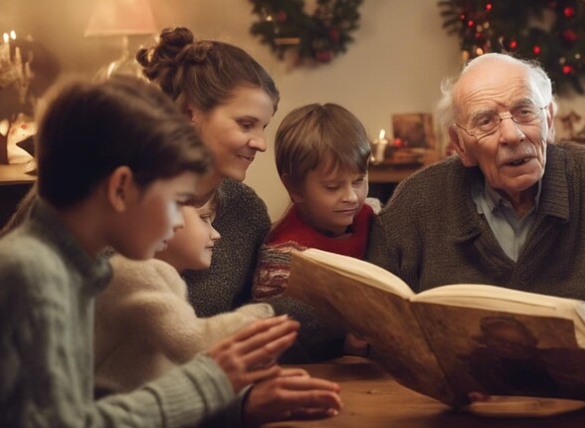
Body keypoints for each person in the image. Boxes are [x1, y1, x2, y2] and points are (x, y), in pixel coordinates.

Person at [0, 76, 339, 426]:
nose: (178, 222)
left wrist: (232, 404)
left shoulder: (71, 270)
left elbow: (91, 405)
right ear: (121, 189)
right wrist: (206, 382)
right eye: (177, 201)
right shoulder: (33, 272)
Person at [367, 53, 585, 364]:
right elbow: (369, 317)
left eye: (524, 111)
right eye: (486, 121)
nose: (513, 135)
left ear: (549, 119)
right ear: (459, 145)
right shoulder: (416, 202)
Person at [136, 27, 277, 318]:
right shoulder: (112, 197)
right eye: (246, 124)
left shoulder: (246, 211)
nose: (261, 144)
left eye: (264, 127)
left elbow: (249, 317)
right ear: (190, 113)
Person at [94, 202, 275, 396]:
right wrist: (259, 314)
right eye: (204, 218)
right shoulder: (138, 271)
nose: (216, 234)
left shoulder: (157, 274)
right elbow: (192, 342)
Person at [253, 103, 376, 361]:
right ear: (294, 187)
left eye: (358, 180)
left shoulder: (372, 217)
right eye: (332, 187)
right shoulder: (283, 256)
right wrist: (341, 341)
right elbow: (278, 336)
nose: (352, 197)